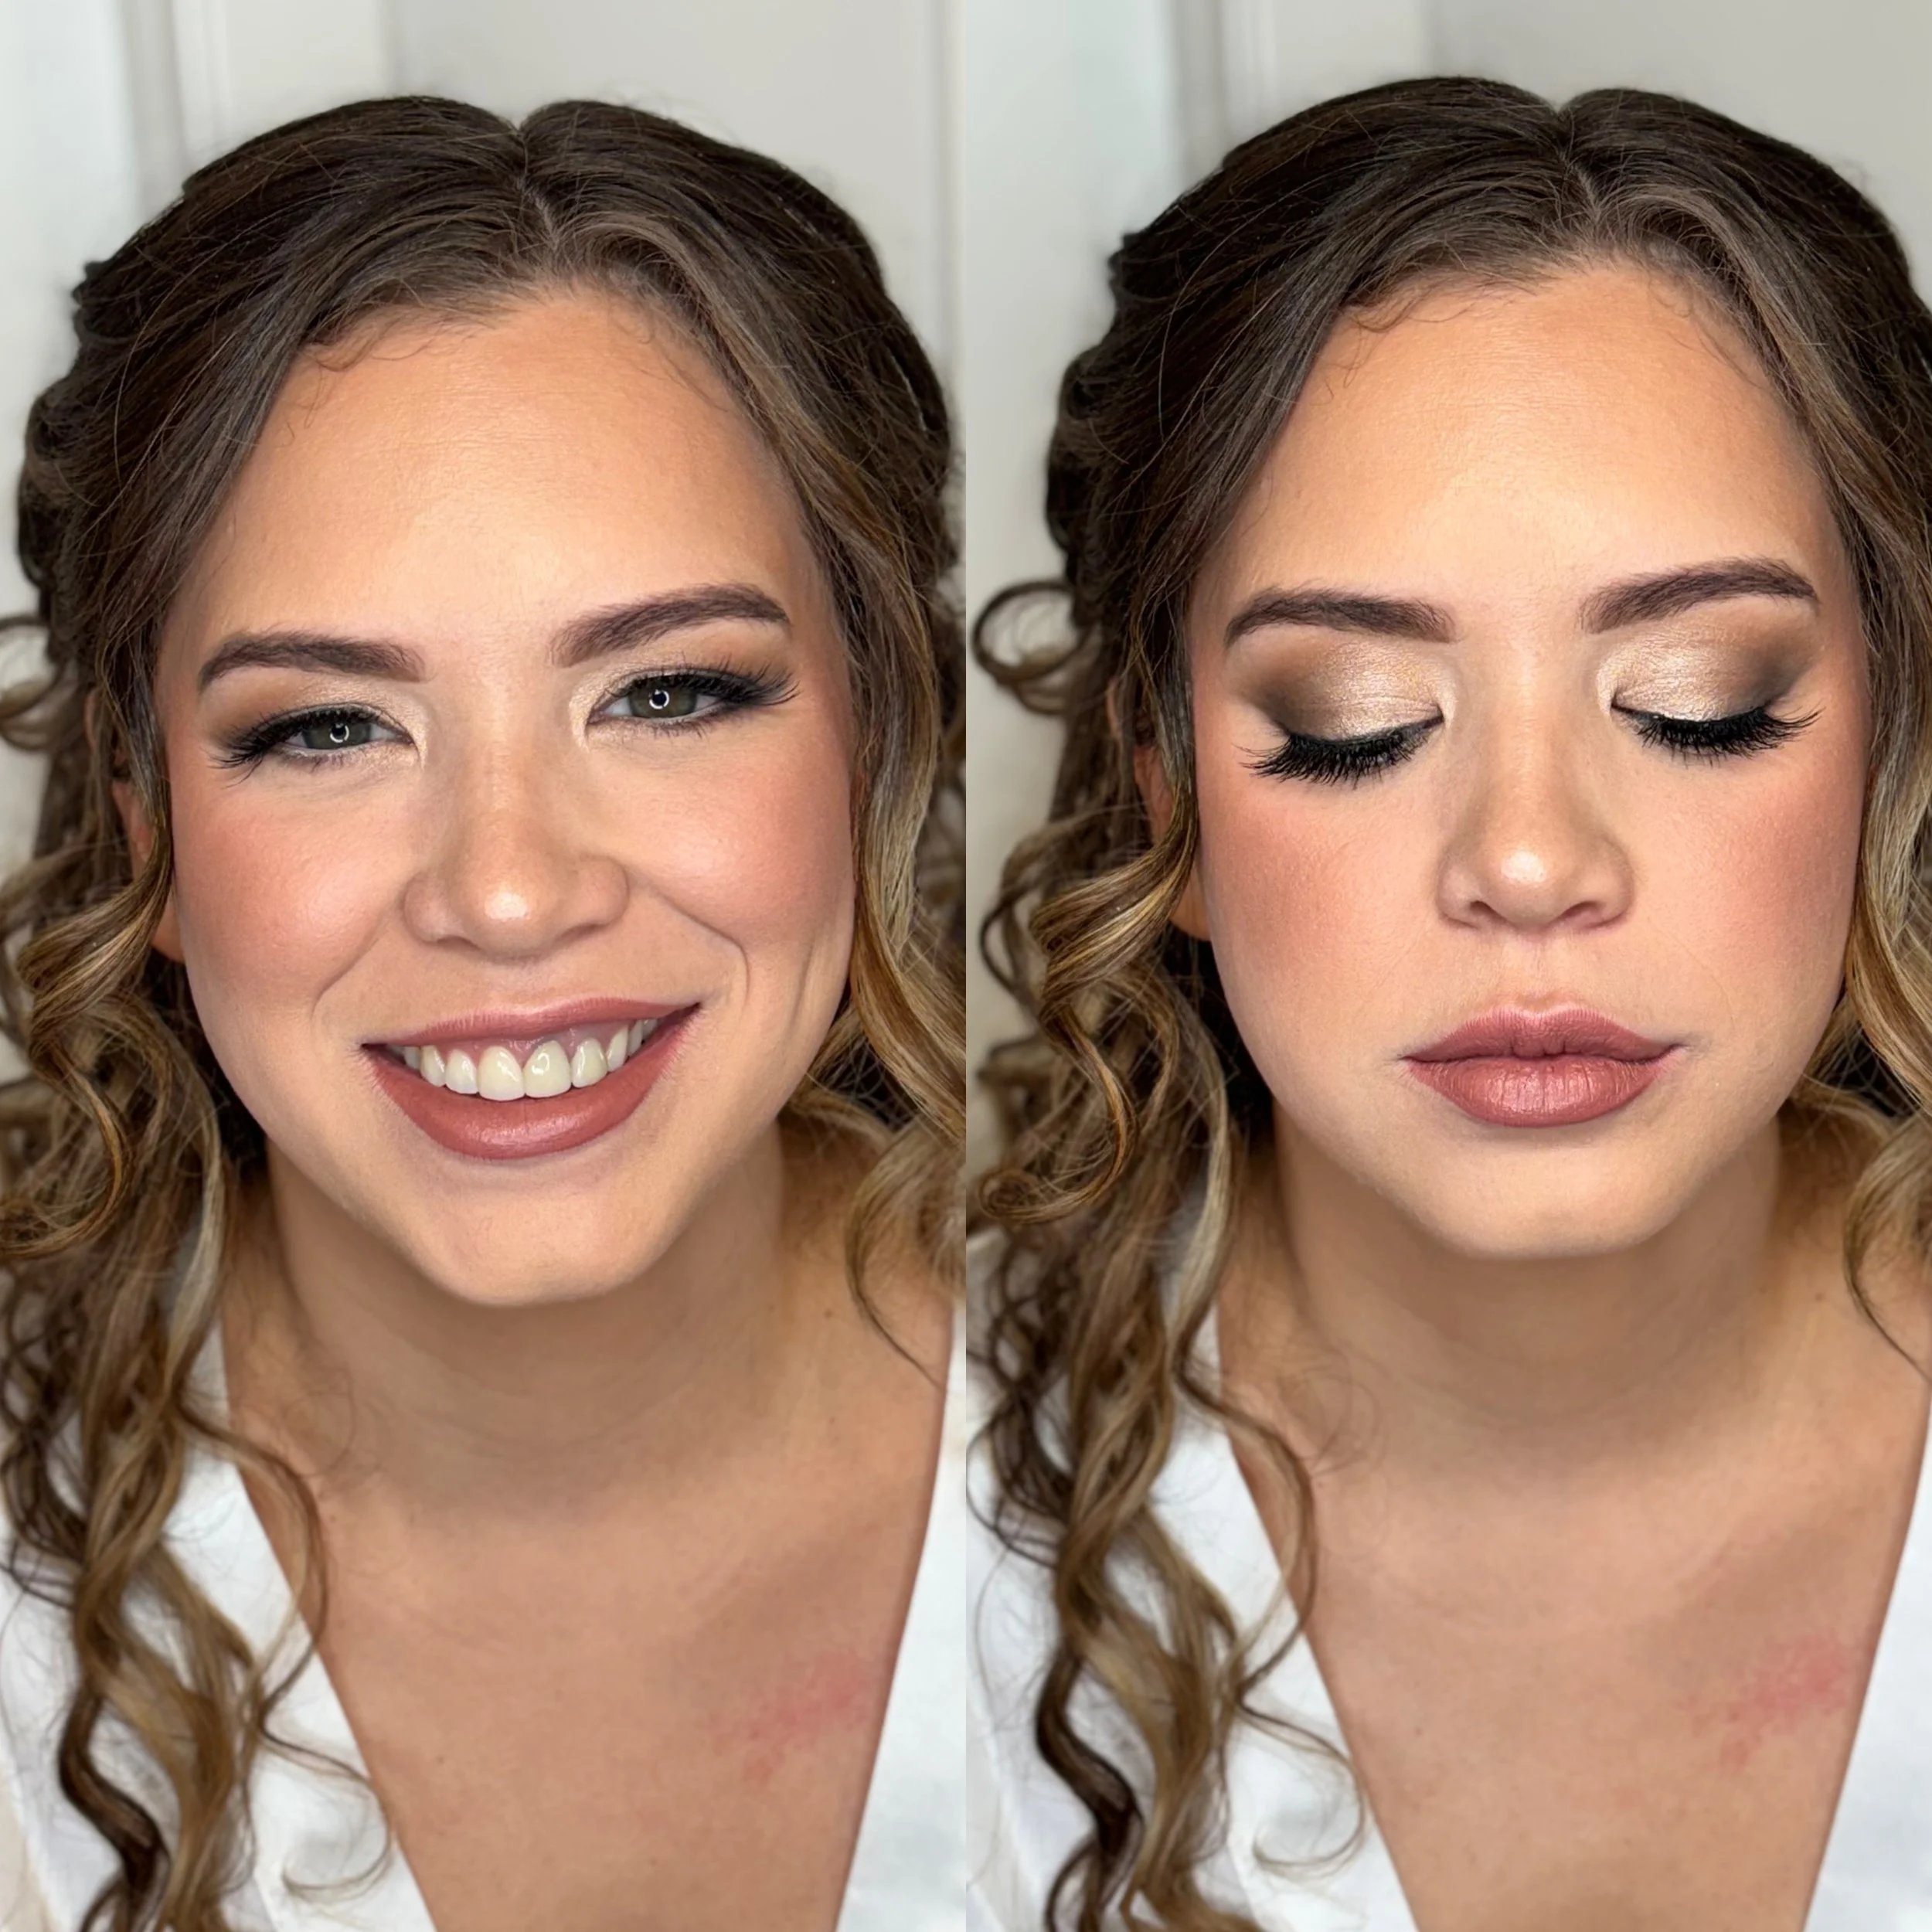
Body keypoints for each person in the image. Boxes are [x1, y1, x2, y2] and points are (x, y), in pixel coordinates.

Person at [969, 77, 1932, 1932]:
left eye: (1698, 699)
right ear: (1163, 797)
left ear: (1889, 752)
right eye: (1355, 721)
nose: (1527, 857)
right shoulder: (912, 1559)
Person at [0, 96, 964, 1932]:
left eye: (666, 693)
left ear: (876, 738)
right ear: (144, 820)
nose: (509, 890)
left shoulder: (1180, 1437)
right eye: (328, 726)